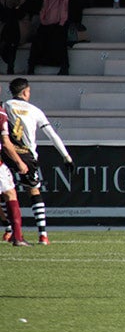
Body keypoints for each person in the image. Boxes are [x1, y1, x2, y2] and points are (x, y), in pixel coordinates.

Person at [1, 78, 72, 246]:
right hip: (27, 156)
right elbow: (52, 135)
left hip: (7, 153)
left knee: (6, 191)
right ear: (25, 92)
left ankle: (10, 230)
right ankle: (43, 235)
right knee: (33, 191)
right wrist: (66, 156)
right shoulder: (35, 110)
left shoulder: (5, 106)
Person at [27, 0, 70, 75]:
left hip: (61, 24)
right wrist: (45, 22)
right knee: (38, 40)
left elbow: (66, 14)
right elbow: (43, 12)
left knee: (60, 39)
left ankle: (64, 67)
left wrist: (60, 23)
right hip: (46, 24)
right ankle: (31, 66)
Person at [0, 101, 29, 247]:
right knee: (10, 194)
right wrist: (19, 162)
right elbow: (5, 142)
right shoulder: (1, 114)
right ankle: (17, 236)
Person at [0, 0, 40, 74]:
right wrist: (10, 6)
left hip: (21, 29)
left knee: (12, 28)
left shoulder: (26, 0)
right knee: (11, 28)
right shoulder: (2, 1)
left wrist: (17, 7)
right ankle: (10, 64)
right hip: (4, 28)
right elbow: (3, 16)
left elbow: (21, 15)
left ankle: (10, 63)